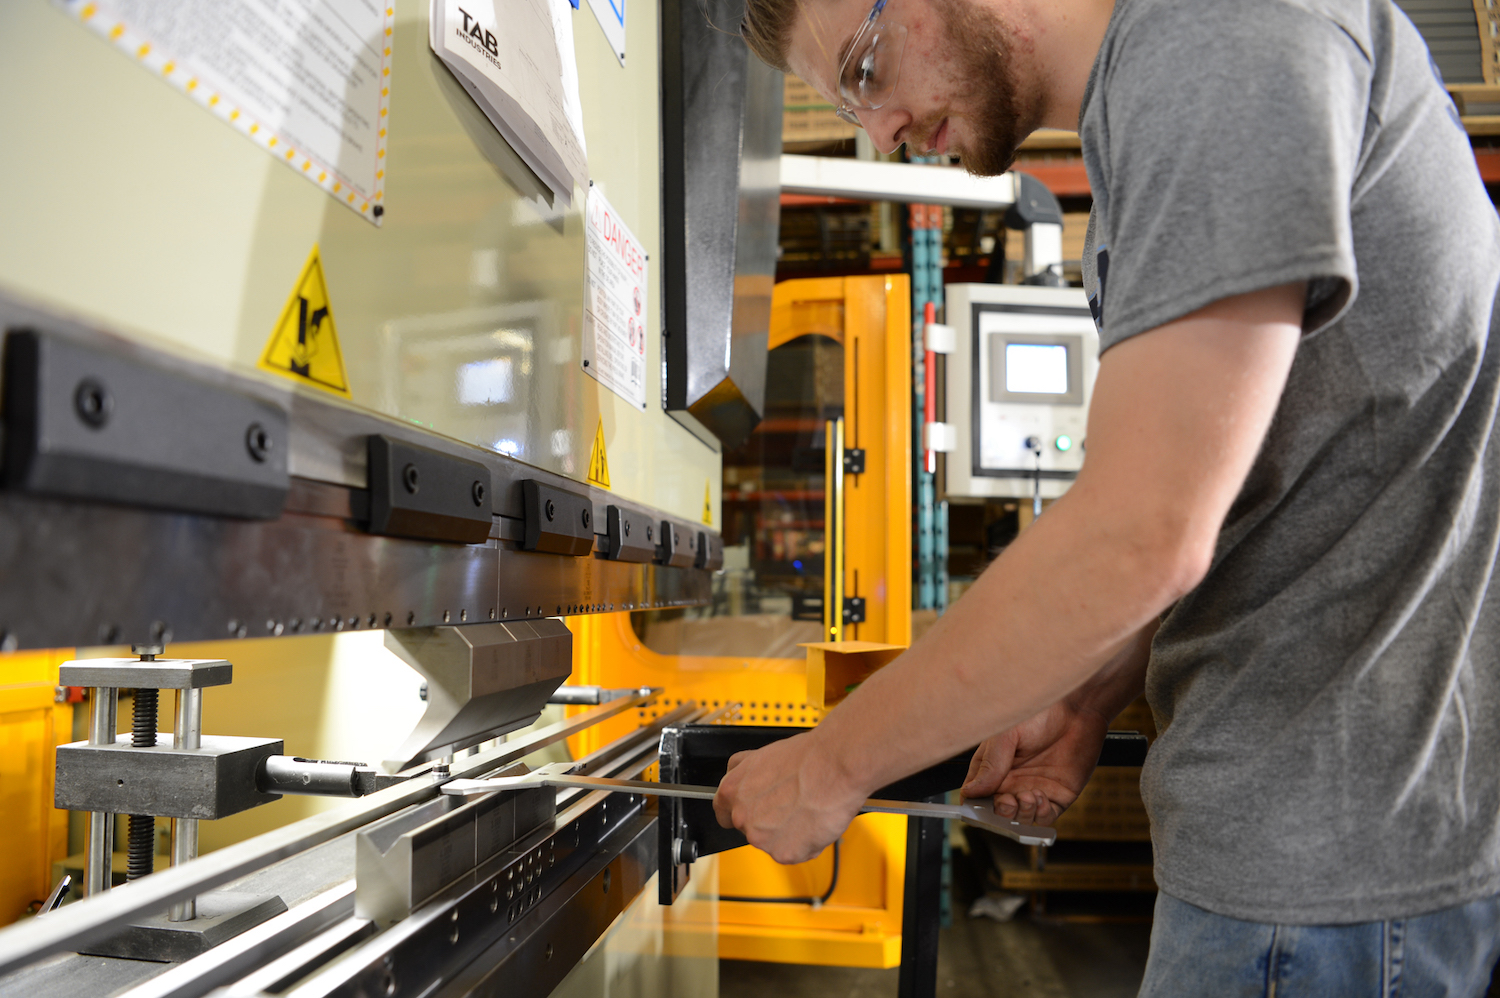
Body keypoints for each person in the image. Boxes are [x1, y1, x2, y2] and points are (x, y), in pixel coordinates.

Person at [714, 0, 1500, 991]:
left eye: (864, 72)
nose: (880, 133)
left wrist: (832, 764)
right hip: (1315, 852)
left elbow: (1140, 532)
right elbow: (1241, 493)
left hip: (1321, 878)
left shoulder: (1217, 38)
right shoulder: (1155, 91)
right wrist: (1088, 688)